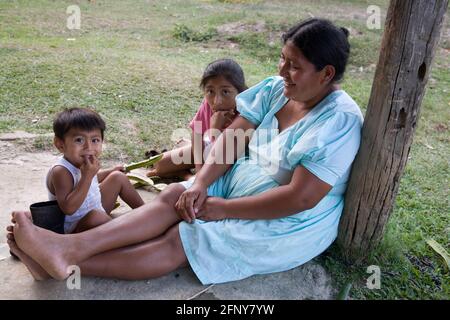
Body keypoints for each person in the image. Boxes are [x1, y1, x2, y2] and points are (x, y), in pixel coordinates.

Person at [7, 18, 363, 284]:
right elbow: (232, 140)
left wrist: (222, 209)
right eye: (282, 59)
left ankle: (67, 260)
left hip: (285, 223)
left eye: (294, 66)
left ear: (326, 73)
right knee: (177, 194)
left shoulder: (338, 122)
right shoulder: (276, 89)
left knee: (183, 238)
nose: (282, 71)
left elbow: (300, 198)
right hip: (242, 188)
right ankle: (64, 249)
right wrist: (201, 183)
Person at [145, 58, 247, 180]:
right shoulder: (208, 104)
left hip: (234, 159)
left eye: (225, 92)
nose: (216, 101)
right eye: (210, 91)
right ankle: (186, 153)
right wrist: (199, 171)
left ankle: (184, 174)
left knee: (215, 180)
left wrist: (215, 129)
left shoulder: (247, 111)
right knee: (160, 165)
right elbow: (197, 134)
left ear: (240, 91)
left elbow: (222, 156)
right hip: (209, 148)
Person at [46, 107, 144, 233]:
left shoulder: (85, 165)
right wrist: (87, 176)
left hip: (97, 209)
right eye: (79, 140)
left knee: (117, 177)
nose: (88, 147)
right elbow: (68, 208)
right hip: (75, 228)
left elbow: (93, 179)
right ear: (60, 144)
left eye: (95, 140)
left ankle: (147, 213)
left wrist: (110, 171)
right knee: (97, 217)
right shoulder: (61, 171)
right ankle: (124, 234)